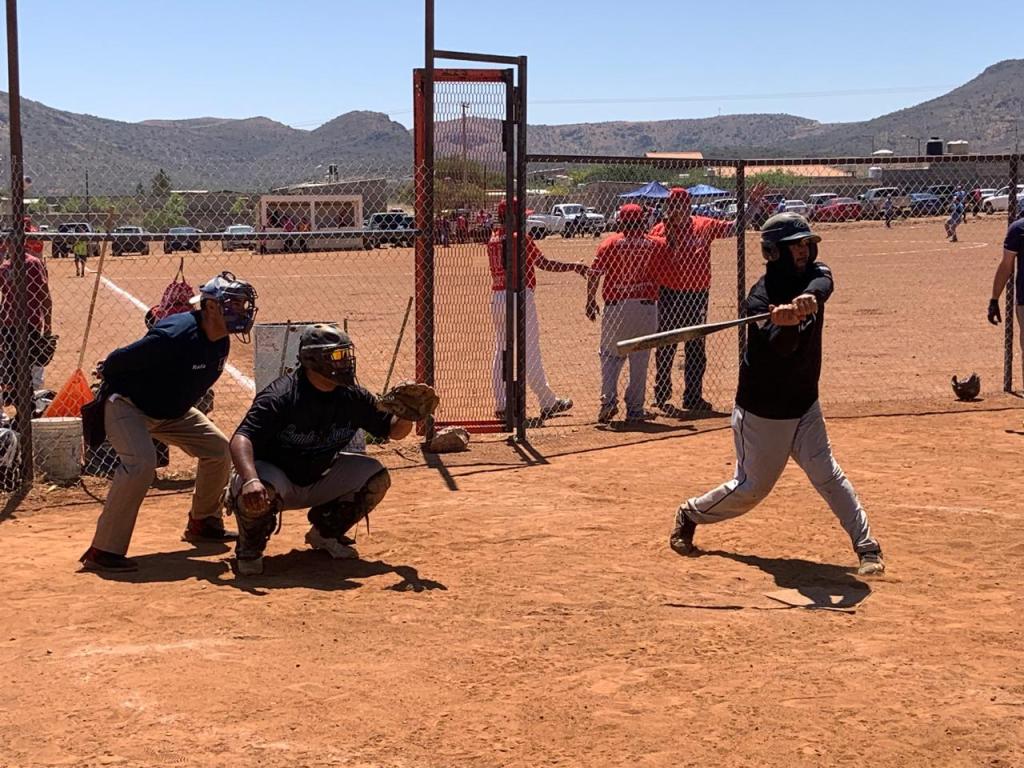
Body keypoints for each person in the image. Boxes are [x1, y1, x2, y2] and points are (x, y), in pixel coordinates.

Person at [668, 213, 885, 577]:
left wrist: (807, 299)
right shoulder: (760, 300)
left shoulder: (814, 274)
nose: (803, 251)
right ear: (774, 252)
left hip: (805, 403)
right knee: (751, 489)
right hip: (764, 412)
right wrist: (785, 323)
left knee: (827, 474)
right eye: (795, 245)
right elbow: (783, 349)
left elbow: (823, 281)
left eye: (805, 244)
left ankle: (867, 546)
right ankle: (690, 513)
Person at [78, 271, 259, 573]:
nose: (241, 311)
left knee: (218, 450)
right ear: (211, 307)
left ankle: (203, 522)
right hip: (128, 406)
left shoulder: (220, 341)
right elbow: (117, 360)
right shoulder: (174, 335)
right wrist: (114, 379)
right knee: (141, 465)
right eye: (234, 304)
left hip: (171, 412)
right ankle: (103, 551)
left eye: (242, 304)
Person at [225, 324, 416, 576]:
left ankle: (325, 533)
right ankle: (249, 549)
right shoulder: (281, 397)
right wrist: (250, 479)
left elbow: (392, 432)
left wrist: (408, 415)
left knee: (375, 477)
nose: (345, 362)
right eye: (336, 356)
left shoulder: (352, 397)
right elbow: (241, 438)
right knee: (257, 494)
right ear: (312, 360)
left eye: (346, 354)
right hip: (274, 479)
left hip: (318, 476)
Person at [489, 198, 585, 421]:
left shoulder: (493, 238)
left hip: (498, 296)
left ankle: (502, 404)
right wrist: (574, 267)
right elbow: (544, 263)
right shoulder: (520, 238)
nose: (524, 219)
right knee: (530, 352)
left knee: (502, 352)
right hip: (520, 297)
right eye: (520, 215)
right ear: (512, 216)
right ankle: (547, 401)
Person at [649, 187, 735, 413]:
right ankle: (662, 394)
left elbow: (734, 229)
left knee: (696, 346)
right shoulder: (659, 230)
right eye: (671, 205)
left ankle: (693, 396)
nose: (675, 209)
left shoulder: (703, 225)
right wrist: (671, 233)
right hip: (669, 293)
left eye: (679, 205)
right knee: (666, 344)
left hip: (697, 293)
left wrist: (752, 206)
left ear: (688, 206)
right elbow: (661, 256)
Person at [586, 203, 671, 423]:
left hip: (617, 306)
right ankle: (634, 409)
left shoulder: (610, 243)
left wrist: (590, 300)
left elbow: (594, 273)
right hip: (645, 307)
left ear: (621, 222)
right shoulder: (656, 244)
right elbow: (668, 263)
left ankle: (608, 401)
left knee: (610, 356)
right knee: (640, 359)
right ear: (643, 221)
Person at [0, 218, 54, 395]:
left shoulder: (30, 264)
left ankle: (29, 402)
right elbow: (5, 297)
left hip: (25, 323)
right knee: (16, 366)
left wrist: (47, 325)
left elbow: (44, 296)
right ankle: (24, 401)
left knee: (26, 365)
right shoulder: (6, 267)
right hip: (14, 324)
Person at [987, 214, 1024, 380]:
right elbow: (1006, 267)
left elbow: (1006, 267)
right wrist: (994, 299)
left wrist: (994, 300)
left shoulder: (1018, 228)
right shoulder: (1018, 229)